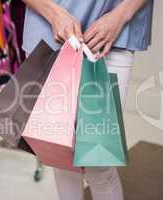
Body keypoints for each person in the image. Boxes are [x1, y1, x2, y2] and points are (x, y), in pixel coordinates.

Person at [21, 0, 154, 200]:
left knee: (98, 163)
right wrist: (53, 13)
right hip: (49, 25)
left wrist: (120, 16)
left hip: (113, 30)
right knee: (59, 153)